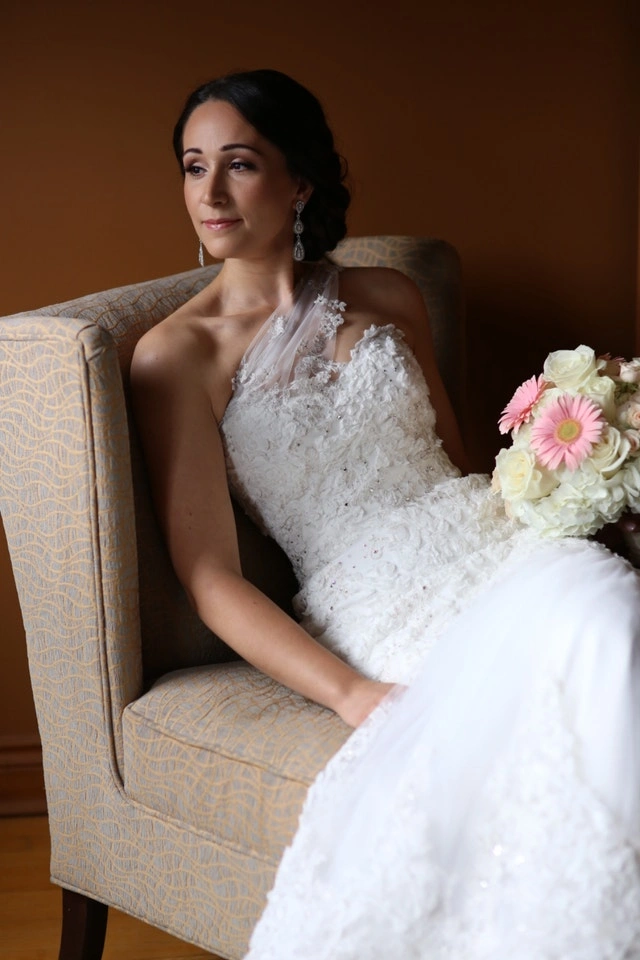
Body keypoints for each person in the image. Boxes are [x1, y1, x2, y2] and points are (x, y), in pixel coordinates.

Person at [131, 70, 640, 959]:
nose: (209, 194)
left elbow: (460, 467)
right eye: (193, 166)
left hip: (501, 548)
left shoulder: (391, 295)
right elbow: (209, 577)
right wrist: (349, 693)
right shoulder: (177, 354)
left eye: (238, 164)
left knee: (612, 618)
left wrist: (572, 500)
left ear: (299, 181)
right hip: (383, 600)